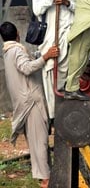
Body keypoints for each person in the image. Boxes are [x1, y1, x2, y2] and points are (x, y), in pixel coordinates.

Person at [1, 21, 58, 188]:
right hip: (31, 102)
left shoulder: (7, 51)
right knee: (39, 141)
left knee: (37, 141)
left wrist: (39, 55)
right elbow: (26, 68)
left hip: (24, 102)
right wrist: (45, 57)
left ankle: (46, 176)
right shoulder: (17, 49)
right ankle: (46, 180)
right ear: (18, 33)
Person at [32, 0, 75, 119]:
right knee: (51, 81)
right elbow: (37, 10)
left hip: (69, 40)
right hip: (50, 43)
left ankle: (68, 115)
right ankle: (53, 117)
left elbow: (80, 9)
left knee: (69, 80)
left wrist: (66, 1)